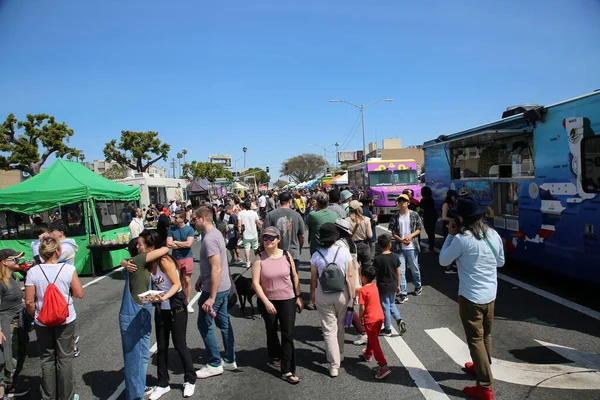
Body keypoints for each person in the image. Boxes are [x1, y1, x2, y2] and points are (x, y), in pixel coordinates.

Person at [439, 196, 504, 400]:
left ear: (462, 218)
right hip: (491, 294)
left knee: (475, 339)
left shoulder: (461, 239)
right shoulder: (493, 234)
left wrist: (450, 235)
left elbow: (443, 261)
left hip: (470, 297)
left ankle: (484, 385)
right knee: (485, 335)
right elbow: (500, 262)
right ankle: (480, 366)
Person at [24, 237, 83, 400]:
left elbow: (29, 301)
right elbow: (79, 293)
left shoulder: (33, 272)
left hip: (42, 320)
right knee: (65, 358)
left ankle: (49, 396)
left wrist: (34, 314)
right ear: (58, 251)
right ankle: (67, 396)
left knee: (47, 358)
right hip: (65, 318)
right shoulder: (67, 270)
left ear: (42, 253)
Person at [139, 229, 196, 399]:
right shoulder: (149, 262)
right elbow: (126, 261)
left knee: (180, 345)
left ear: (152, 247)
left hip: (175, 306)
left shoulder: (164, 261)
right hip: (160, 308)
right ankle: (162, 383)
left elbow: (177, 284)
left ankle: (190, 379)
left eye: (141, 244)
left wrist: (161, 297)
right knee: (161, 348)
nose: (138, 247)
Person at [119, 236, 170, 400]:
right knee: (136, 359)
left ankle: (138, 390)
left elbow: (141, 295)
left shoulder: (133, 264)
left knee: (140, 357)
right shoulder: (138, 261)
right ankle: (135, 396)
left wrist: (155, 297)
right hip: (135, 315)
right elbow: (165, 248)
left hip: (137, 312)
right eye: (141, 245)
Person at [251, 227, 303, 385]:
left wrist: (299, 296)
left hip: (287, 299)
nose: (267, 241)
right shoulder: (259, 259)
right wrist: (266, 302)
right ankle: (274, 354)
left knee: (287, 334)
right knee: (271, 330)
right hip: (268, 300)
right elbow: (255, 283)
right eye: (265, 238)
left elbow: (294, 276)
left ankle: (287, 369)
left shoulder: (287, 255)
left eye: (271, 238)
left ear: (278, 240)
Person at [193, 206, 237, 379]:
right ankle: (229, 358)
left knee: (204, 324)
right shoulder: (215, 234)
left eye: (194, 218)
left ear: (203, 218)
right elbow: (214, 264)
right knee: (223, 322)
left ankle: (214, 363)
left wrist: (211, 297)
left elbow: (217, 268)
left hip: (216, 289)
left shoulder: (210, 239)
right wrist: (201, 277)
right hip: (222, 286)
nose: (193, 221)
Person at [309, 223, 355, 377]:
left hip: (323, 294)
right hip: (342, 293)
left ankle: (334, 364)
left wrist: (312, 297)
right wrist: (353, 296)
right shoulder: (344, 252)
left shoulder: (316, 256)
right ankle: (340, 352)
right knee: (340, 325)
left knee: (329, 329)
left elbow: (313, 280)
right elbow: (350, 275)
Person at [0, 249, 30, 398]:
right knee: (7, 358)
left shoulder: (14, 278)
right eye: (15, 259)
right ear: (4, 262)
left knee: (19, 354)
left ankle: (10, 386)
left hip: (19, 321)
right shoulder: (0, 282)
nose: (18, 261)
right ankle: (3, 390)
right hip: (7, 324)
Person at [333, 219, 366, 346]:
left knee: (347, 306)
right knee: (348, 305)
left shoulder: (339, 244)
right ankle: (360, 331)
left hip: (346, 277)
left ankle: (362, 332)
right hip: (354, 277)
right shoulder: (351, 243)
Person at [357, 265, 391, 380]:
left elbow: (362, 307)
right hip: (380, 317)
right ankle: (368, 353)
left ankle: (383, 365)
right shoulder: (374, 286)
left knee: (375, 342)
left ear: (363, 278)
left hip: (370, 319)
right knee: (373, 338)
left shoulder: (362, 290)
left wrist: (361, 318)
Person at [389, 194, 423, 304]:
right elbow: (393, 232)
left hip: (412, 246)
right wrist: (400, 239)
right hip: (400, 247)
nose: (402, 203)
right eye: (400, 201)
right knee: (401, 270)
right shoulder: (395, 216)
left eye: (404, 201)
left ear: (408, 203)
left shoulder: (414, 215)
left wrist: (410, 236)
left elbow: (419, 229)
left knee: (414, 268)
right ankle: (403, 293)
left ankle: (418, 286)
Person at [374, 234, 406, 337]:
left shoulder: (378, 259)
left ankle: (387, 329)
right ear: (390, 245)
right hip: (393, 284)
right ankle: (399, 320)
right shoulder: (395, 257)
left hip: (383, 286)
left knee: (385, 306)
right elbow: (398, 272)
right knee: (392, 304)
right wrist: (398, 285)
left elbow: (375, 274)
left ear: (379, 245)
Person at [264, 192, 305, 270]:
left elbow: (264, 234)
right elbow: (301, 236)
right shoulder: (297, 215)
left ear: (279, 201)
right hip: (293, 253)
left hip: (275, 253)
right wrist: (300, 247)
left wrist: (262, 249)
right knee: (294, 278)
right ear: (290, 201)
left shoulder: (270, 215)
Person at [167, 211, 196, 314]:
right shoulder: (171, 230)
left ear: (182, 219)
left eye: (176, 218)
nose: (174, 219)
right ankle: (180, 300)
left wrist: (176, 242)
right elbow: (169, 244)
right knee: (178, 280)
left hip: (187, 257)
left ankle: (187, 302)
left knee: (187, 280)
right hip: (175, 258)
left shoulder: (189, 229)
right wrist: (181, 244)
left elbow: (189, 244)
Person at [345, 200, 373, 269]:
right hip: (364, 244)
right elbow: (370, 235)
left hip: (352, 245)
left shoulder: (346, 220)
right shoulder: (366, 219)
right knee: (367, 267)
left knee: (354, 267)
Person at [238, 201, 262, 269]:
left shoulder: (240, 213)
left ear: (243, 206)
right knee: (255, 248)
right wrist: (261, 229)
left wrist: (240, 232)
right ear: (250, 206)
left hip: (245, 233)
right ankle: (258, 261)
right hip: (254, 232)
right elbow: (258, 222)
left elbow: (239, 224)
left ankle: (248, 263)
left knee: (247, 248)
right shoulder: (254, 213)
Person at [441, 190, 459, 274]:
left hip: (452, 227)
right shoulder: (446, 204)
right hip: (447, 227)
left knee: (453, 245)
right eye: (454, 197)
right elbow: (444, 217)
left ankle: (453, 264)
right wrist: (453, 219)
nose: (455, 198)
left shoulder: (452, 204)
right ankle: (448, 267)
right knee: (448, 246)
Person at [418, 187, 437, 252]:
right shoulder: (431, 199)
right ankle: (431, 246)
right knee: (432, 232)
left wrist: (417, 214)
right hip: (433, 216)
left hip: (428, 217)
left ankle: (431, 248)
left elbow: (421, 209)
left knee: (429, 232)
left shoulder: (424, 200)